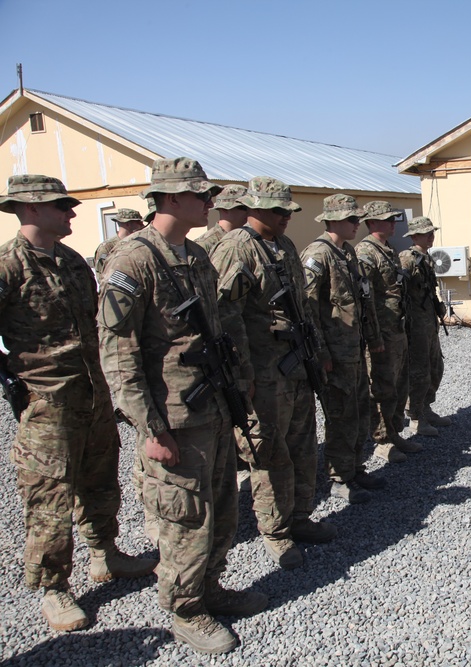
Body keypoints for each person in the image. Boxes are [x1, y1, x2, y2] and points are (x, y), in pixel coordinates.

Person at [98, 158, 266, 654]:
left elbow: (217, 327)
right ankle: (185, 608)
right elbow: (117, 352)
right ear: (170, 198)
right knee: (184, 517)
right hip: (173, 417)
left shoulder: (194, 255)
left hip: (211, 406)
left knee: (222, 505)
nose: (208, 203)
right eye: (199, 195)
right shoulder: (133, 260)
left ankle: (210, 587)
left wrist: (239, 381)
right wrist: (151, 429)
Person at [0, 175, 156, 633]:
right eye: (59, 206)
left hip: (95, 392)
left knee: (100, 478)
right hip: (48, 402)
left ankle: (104, 554)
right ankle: (54, 589)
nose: (70, 213)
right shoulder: (8, 264)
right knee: (49, 496)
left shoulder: (71, 261)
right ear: (29, 209)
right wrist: (12, 376)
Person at [212, 176, 337, 569]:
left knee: (301, 445)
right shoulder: (235, 249)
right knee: (268, 453)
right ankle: (276, 533)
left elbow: (300, 306)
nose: (286, 217)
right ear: (254, 208)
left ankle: (299, 517)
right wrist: (242, 374)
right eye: (279, 210)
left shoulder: (283, 246)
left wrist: (316, 352)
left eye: (288, 211)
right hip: (262, 373)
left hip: (295, 365)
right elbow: (224, 317)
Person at [301, 194, 384, 504]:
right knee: (341, 414)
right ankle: (339, 476)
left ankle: (355, 466)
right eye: (352, 219)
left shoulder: (347, 253)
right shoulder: (318, 254)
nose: (356, 224)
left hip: (354, 348)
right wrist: (320, 352)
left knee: (361, 410)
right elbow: (307, 308)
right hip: (334, 355)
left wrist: (372, 336)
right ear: (333, 219)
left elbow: (362, 300)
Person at [356, 201, 421, 462]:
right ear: (372, 223)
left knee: (398, 385)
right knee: (381, 387)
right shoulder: (365, 252)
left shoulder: (388, 249)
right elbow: (365, 297)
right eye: (388, 219)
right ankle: (381, 440)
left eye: (395, 218)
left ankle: (394, 432)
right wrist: (373, 335)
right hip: (381, 332)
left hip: (397, 328)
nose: (394, 223)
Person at [399, 216, 452, 436]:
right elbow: (398, 292)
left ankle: (426, 407)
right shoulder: (406, 259)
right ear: (414, 236)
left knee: (435, 368)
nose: (431, 236)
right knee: (418, 371)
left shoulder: (426, 258)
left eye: (432, 232)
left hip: (429, 322)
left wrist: (438, 305)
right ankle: (415, 417)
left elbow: (428, 289)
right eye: (426, 233)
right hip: (415, 324)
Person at [195, 184, 247, 254]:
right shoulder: (203, 246)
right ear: (225, 209)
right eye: (244, 208)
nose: (249, 213)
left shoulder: (247, 239)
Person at [94, 208, 146, 275]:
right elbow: (101, 273)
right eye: (139, 223)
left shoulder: (138, 243)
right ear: (128, 224)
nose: (142, 225)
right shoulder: (107, 247)